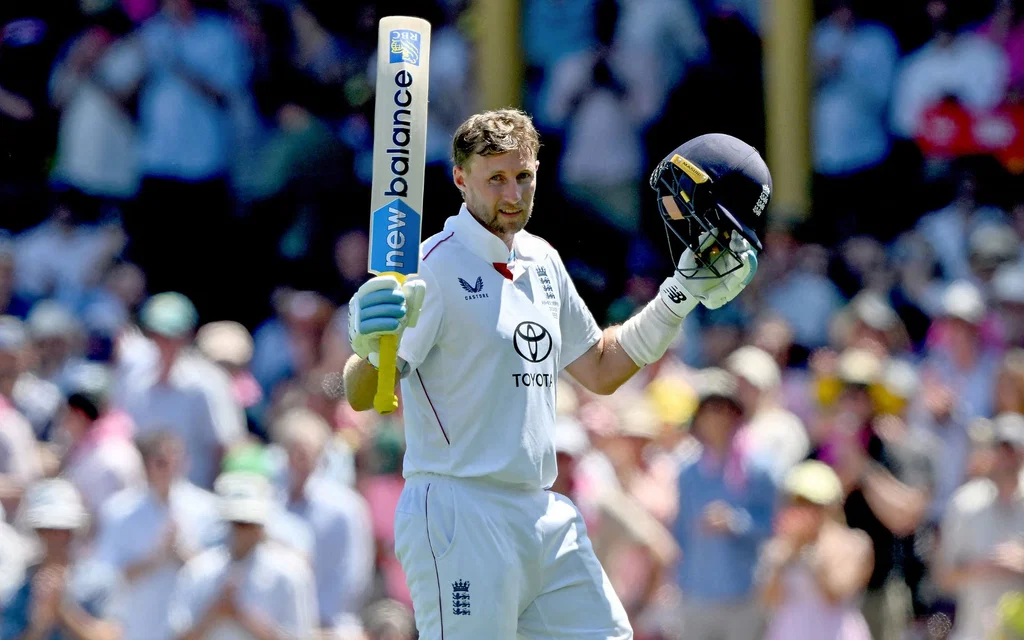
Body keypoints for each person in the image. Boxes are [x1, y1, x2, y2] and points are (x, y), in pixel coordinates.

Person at [343, 110, 770, 638]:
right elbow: (364, 394)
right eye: (495, 178)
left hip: (539, 508)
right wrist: (368, 347)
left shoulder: (542, 260)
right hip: (460, 510)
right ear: (460, 178)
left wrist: (676, 296)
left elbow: (600, 368)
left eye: (523, 177)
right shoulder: (429, 268)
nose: (513, 194)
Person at [671, 368, 777, 639]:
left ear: (735, 414)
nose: (715, 417)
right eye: (708, 409)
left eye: (722, 408)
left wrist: (736, 522)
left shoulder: (759, 468)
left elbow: (774, 525)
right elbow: (681, 531)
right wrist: (679, 582)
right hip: (696, 594)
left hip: (743, 595)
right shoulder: (687, 472)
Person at [92, 430, 220, 640]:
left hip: (192, 626)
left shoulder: (207, 508)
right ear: (147, 465)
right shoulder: (119, 510)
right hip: (138, 624)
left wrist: (183, 553)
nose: (169, 470)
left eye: (176, 462)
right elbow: (110, 575)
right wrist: (157, 555)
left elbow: (216, 574)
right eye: (162, 462)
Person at [167, 470, 317, 640]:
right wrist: (215, 611)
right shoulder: (200, 570)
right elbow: (177, 635)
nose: (244, 531)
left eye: (250, 523)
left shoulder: (290, 574)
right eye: (238, 523)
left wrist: (242, 614)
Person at [273, 408, 374, 636]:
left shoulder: (345, 508)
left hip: (332, 627)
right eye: (293, 451)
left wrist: (318, 622)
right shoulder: (273, 505)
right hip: (281, 627)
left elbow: (353, 575)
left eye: (305, 452)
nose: (299, 460)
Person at [759, 460, 874, 640]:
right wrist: (788, 554)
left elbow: (834, 594)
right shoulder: (782, 546)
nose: (803, 511)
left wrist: (811, 552)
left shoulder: (855, 544)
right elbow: (770, 598)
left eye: (811, 504)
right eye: (797, 503)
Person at [935, 413, 1024, 640]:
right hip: (974, 633)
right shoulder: (965, 503)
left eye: (1012, 449)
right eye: (1000, 448)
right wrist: (983, 567)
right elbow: (942, 578)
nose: (1006, 457)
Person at [1, 478, 123, 640]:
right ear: (37, 531)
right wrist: (39, 626)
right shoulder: (18, 587)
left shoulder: (98, 580)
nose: (56, 537)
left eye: (64, 529)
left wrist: (63, 610)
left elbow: (111, 636)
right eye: (47, 529)